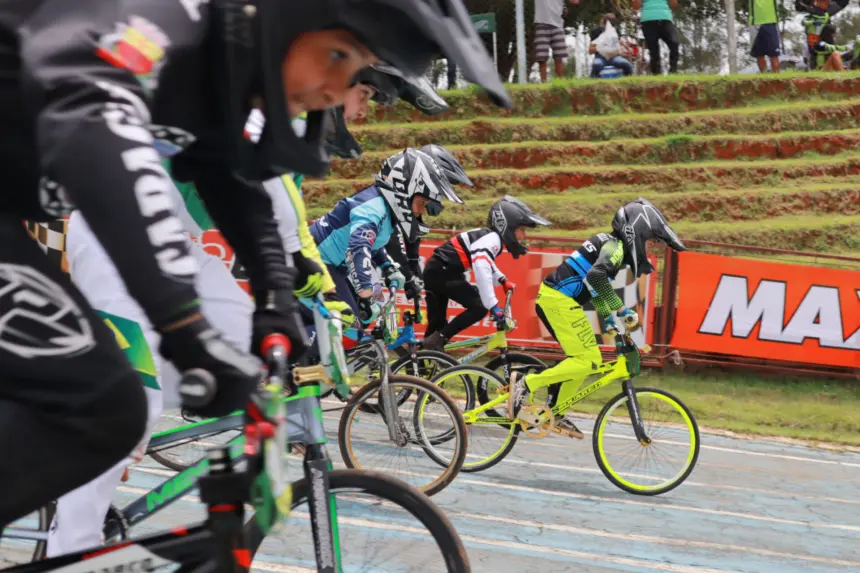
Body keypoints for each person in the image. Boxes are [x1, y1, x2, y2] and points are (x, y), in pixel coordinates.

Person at [0, 0, 508, 536]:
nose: (336, 92)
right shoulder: (163, 30)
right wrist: (182, 325)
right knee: (112, 407)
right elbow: (108, 160)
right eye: (337, 56)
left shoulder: (216, 70)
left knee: (158, 387)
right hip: (52, 221)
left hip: (43, 215)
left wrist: (272, 300)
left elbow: (231, 184)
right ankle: (70, 544)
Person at [47, 62, 459, 555]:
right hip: (112, 237)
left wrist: (321, 311)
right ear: (332, 85)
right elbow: (290, 240)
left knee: (250, 350)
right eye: (365, 94)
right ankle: (70, 544)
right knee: (134, 408)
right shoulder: (266, 124)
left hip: (170, 243)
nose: (364, 110)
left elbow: (294, 237)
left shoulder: (287, 138)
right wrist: (316, 300)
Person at [508, 198, 686, 436]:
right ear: (637, 233)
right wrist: (621, 310)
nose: (650, 249)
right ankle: (525, 382)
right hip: (559, 301)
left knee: (583, 360)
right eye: (650, 242)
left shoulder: (611, 244)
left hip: (559, 300)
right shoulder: (616, 248)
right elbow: (596, 277)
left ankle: (556, 412)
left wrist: (608, 318)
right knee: (588, 360)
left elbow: (593, 285)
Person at [311, 148, 463, 325]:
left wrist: (387, 266)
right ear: (404, 192)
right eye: (421, 203)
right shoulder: (373, 209)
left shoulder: (386, 211)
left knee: (354, 325)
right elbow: (358, 248)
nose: (422, 211)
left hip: (333, 265)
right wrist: (365, 292)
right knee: (349, 326)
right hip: (319, 260)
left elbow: (373, 245)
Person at [422, 196, 551, 351]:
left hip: (440, 271)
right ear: (508, 227)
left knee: (436, 328)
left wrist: (502, 279)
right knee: (480, 306)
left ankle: (419, 361)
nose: (523, 236)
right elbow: (481, 267)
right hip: (442, 272)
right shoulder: (493, 239)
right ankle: (437, 341)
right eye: (521, 230)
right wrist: (493, 305)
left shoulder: (491, 237)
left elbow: (486, 262)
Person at [385, 144, 474, 303]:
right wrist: (409, 276)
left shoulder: (412, 206)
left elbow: (412, 248)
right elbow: (396, 246)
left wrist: (415, 275)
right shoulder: (393, 203)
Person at [534, 0, 578, 82]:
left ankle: (560, 83)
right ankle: (544, 84)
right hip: (541, 23)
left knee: (559, 56)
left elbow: (575, 1)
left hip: (557, 25)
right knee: (542, 57)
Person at [633, 0, 681, 74]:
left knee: (674, 43)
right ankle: (656, 74)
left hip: (665, 19)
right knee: (653, 50)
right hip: (648, 20)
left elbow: (674, 5)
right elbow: (636, 6)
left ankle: (673, 71)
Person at [749, 0, 781, 72]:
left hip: (770, 21)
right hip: (755, 23)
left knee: (774, 55)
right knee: (759, 55)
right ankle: (764, 79)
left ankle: (777, 79)